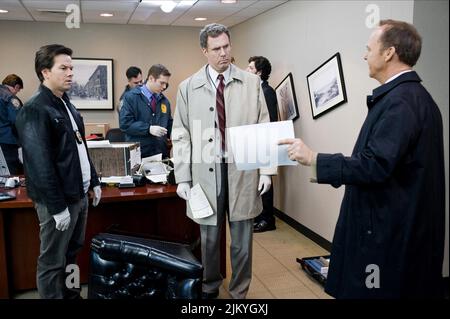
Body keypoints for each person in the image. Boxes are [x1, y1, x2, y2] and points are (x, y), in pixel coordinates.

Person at [279, 20, 445, 298]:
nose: (364, 55)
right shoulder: (411, 97)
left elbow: (374, 165)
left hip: (386, 233)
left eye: (369, 49)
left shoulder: (401, 102)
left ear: (389, 53)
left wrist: (315, 159)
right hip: (396, 227)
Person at [172, 23, 275, 299]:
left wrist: (266, 170)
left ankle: (239, 291)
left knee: (242, 239)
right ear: (204, 50)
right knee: (208, 238)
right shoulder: (187, 87)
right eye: (216, 49)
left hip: (242, 171)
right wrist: (182, 176)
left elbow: (262, 127)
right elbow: (181, 135)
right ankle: (209, 286)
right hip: (205, 172)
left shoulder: (251, 83)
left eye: (227, 46)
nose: (223, 53)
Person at [15, 44, 102, 299]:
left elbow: (80, 147)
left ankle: (72, 296)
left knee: (73, 251)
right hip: (59, 201)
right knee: (53, 260)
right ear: (45, 72)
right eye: (63, 68)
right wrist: (56, 207)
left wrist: (94, 181)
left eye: (72, 67)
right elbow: (39, 165)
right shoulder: (34, 109)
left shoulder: (66, 104)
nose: (70, 73)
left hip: (79, 194)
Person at [246, 56, 278, 233]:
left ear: (259, 72)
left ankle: (267, 219)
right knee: (256, 182)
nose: (246, 70)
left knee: (265, 181)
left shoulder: (267, 91)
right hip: (253, 142)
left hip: (263, 143)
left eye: (250, 68)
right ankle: (259, 216)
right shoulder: (255, 90)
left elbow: (269, 121)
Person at [119, 64, 172, 158]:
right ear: (151, 78)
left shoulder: (164, 101)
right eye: (162, 83)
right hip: (139, 154)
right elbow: (125, 124)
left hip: (160, 154)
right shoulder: (130, 97)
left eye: (166, 84)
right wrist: (148, 129)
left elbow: (169, 124)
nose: (164, 87)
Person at [0, 74, 24, 175]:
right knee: (10, 174)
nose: (17, 92)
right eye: (18, 90)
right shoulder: (11, 98)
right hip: (7, 142)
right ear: (16, 86)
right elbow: (18, 121)